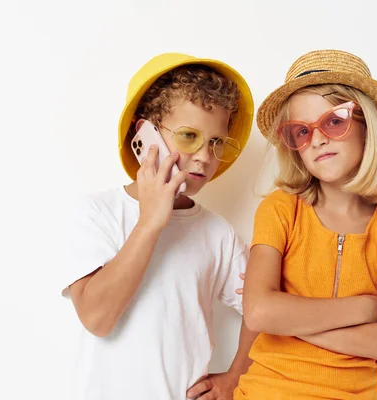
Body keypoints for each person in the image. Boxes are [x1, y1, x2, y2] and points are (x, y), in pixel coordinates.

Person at [60, 53, 258, 400]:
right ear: (144, 134)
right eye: (188, 135)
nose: (204, 156)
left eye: (216, 142)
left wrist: (237, 374)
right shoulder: (96, 213)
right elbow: (97, 318)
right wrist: (150, 222)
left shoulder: (218, 234)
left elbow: (263, 308)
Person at [235, 49, 377, 399]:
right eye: (301, 131)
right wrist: (363, 309)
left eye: (334, 121)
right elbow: (259, 312)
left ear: (368, 127)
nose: (317, 139)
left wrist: (288, 319)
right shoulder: (280, 209)